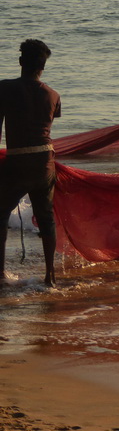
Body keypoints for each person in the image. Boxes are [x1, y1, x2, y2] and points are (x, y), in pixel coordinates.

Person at [0, 39, 61, 287]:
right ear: (43, 67)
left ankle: (0, 274)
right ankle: (50, 275)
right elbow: (44, 127)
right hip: (45, 161)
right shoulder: (53, 95)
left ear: (20, 62)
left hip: (16, 162)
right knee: (46, 218)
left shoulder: (4, 88)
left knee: (1, 215)